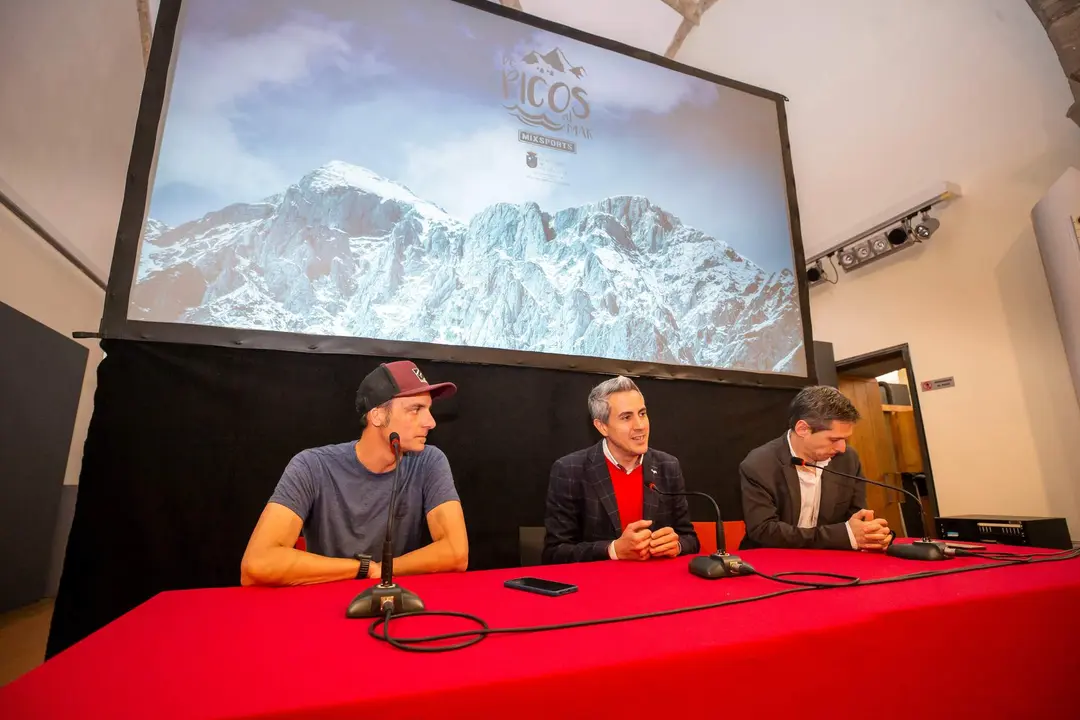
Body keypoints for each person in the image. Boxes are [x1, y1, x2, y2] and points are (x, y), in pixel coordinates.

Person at [240, 360, 468, 586]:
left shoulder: (429, 461)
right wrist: (363, 569)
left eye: (428, 410)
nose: (431, 422)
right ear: (377, 415)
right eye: (415, 409)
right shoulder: (312, 466)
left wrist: (383, 571)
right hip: (325, 604)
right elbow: (258, 562)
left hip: (396, 603)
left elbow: (456, 552)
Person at [542, 376, 700, 564]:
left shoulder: (668, 466)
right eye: (626, 417)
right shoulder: (570, 470)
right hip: (599, 587)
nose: (640, 426)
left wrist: (678, 544)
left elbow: (690, 539)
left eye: (642, 413)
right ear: (602, 426)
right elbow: (555, 553)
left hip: (657, 586)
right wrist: (613, 550)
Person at [740, 385, 892, 551]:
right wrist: (842, 535)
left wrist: (870, 533)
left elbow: (855, 518)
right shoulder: (759, 464)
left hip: (832, 559)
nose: (842, 448)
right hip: (773, 560)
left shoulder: (848, 459)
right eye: (834, 439)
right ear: (803, 429)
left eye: (845, 439)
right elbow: (764, 531)